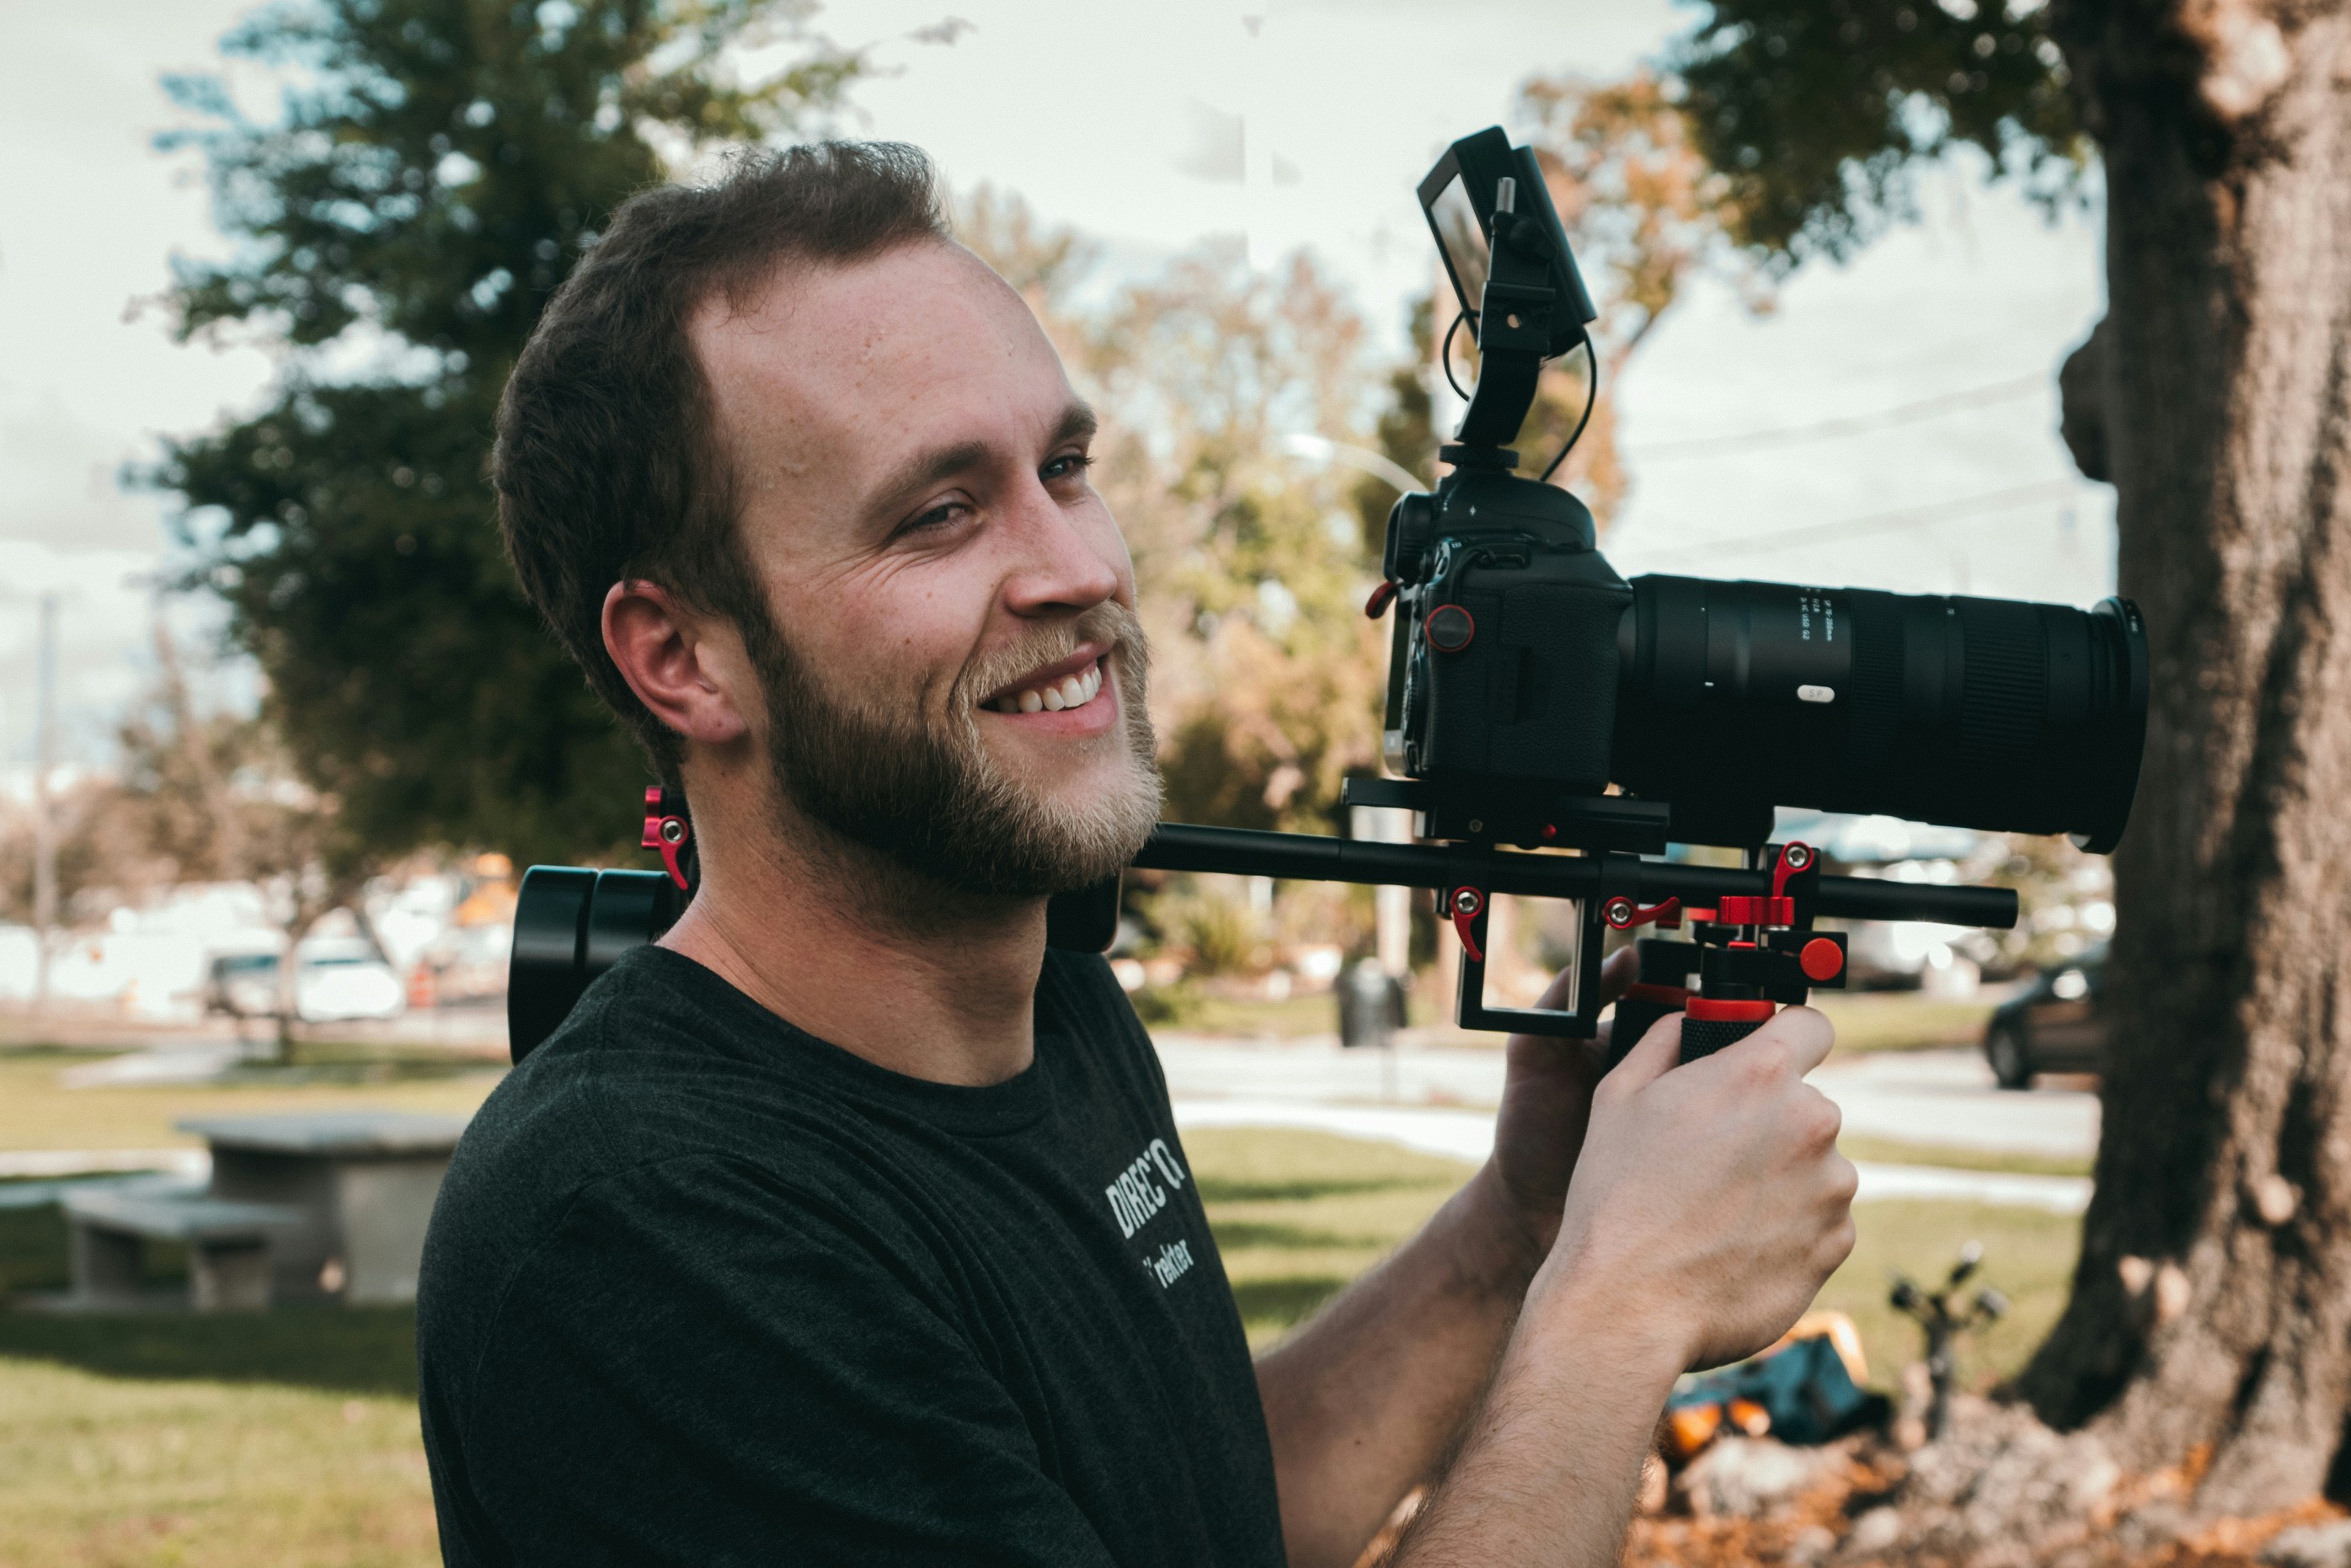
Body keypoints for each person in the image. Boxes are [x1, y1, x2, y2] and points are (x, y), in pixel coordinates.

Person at [418, 140, 1857, 1568]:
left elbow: (1198, 1514)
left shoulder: (1051, 1005)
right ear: (681, 658)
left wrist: (1523, 1224)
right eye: (939, 513)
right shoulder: (639, 1231)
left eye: (1063, 466)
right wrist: (1617, 1309)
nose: (1080, 566)